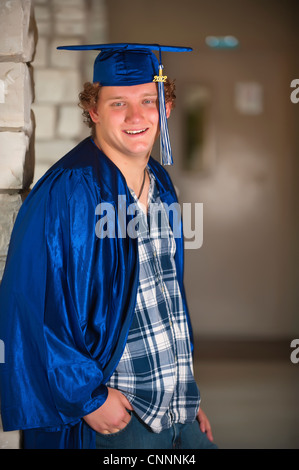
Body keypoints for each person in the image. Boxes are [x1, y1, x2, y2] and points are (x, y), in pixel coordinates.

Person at [0, 43, 217, 449]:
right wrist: (88, 398)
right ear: (94, 111)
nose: (136, 116)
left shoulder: (161, 184)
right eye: (119, 103)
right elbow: (29, 303)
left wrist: (183, 392)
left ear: (165, 109)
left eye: (148, 101)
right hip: (116, 419)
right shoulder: (70, 192)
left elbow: (166, 299)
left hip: (175, 408)